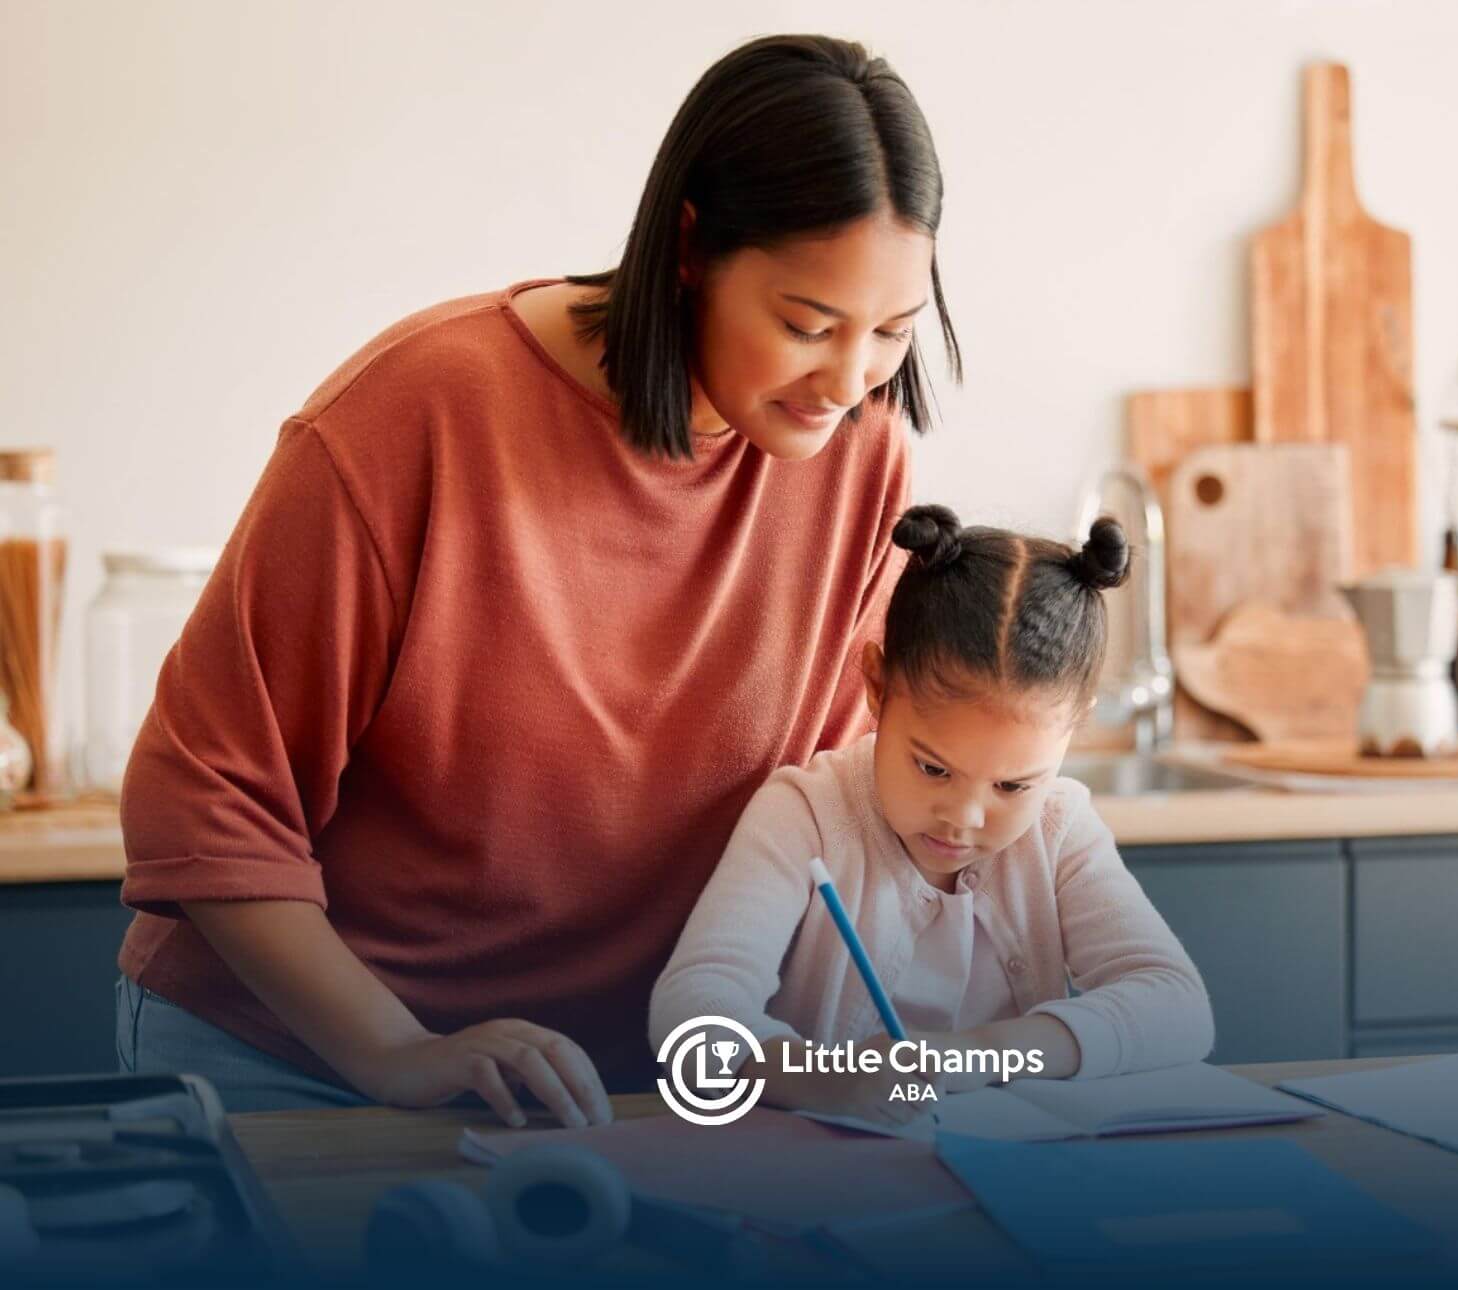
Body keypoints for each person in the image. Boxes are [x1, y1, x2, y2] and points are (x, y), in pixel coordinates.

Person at [115, 34, 961, 1124]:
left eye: (891, 332)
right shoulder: (416, 415)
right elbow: (204, 798)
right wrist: (395, 1053)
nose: (845, 382)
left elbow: (830, 802)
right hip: (301, 1060)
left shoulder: (858, 454)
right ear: (692, 246)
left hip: (599, 1091)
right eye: (806, 326)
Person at [649, 505, 1215, 1127]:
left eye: (1012, 785)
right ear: (877, 686)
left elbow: (1179, 1007)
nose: (964, 818)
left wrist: (974, 1058)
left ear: (1075, 732)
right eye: (933, 769)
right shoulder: (805, 815)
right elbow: (692, 1017)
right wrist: (822, 1080)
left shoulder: (1061, 828)